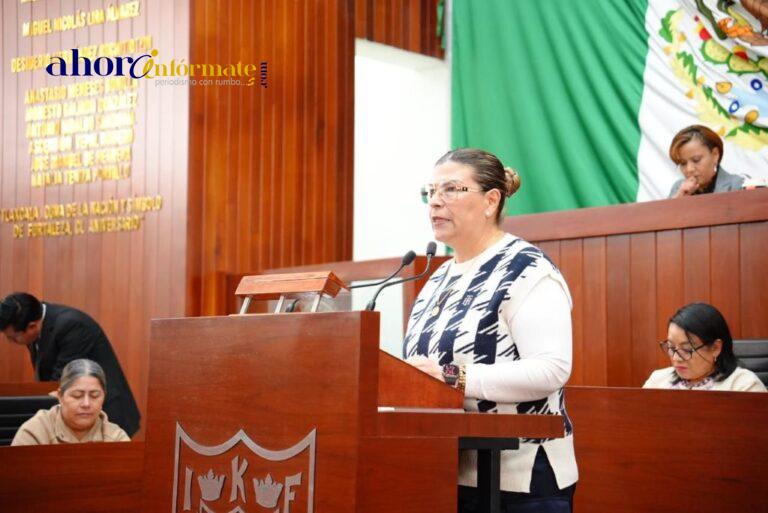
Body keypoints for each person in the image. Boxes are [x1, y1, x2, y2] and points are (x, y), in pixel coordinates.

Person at [404, 148, 577, 512]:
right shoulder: (438, 277)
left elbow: (551, 369)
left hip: (522, 477)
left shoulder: (527, 269)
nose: (435, 201)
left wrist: (453, 377)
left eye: (451, 189)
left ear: (491, 201)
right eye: (430, 192)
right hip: (445, 469)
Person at [0, 292, 140, 436]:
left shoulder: (72, 325)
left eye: (13, 338)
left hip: (104, 413)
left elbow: (60, 381)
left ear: (32, 326)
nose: (12, 342)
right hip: (79, 416)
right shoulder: (36, 318)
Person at [644, 302, 766, 392]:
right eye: (671, 347)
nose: (676, 358)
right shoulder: (657, 380)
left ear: (715, 348)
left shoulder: (744, 386)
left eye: (686, 349)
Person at [11, 359, 131, 445]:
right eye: (77, 395)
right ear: (60, 396)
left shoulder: (116, 438)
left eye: (94, 396)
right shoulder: (35, 431)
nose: (86, 404)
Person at [667, 124, 746, 198]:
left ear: (715, 154)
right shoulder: (678, 188)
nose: (689, 169)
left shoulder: (738, 185)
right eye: (683, 163)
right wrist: (678, 199)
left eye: (696, 160)